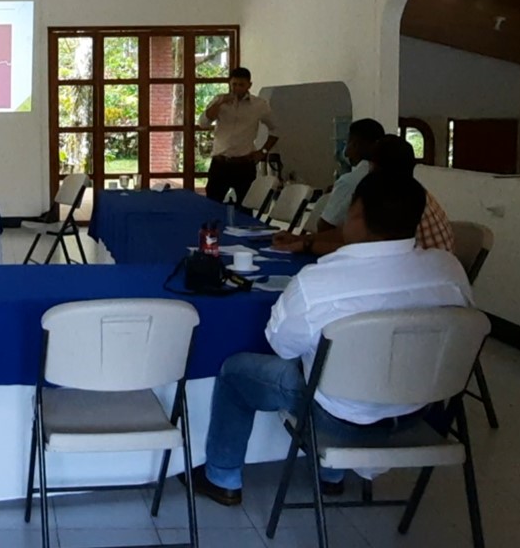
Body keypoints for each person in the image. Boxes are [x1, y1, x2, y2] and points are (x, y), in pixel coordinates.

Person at [187, 172, 474, 506]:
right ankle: (330, 476)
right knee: (333, 370)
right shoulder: (449, 270)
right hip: (418, 415)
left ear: (355, 214)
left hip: (338, 423)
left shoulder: (320, 281)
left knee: (237, 371)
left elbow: (281, 346)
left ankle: (222, 477)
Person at [275, 133, 455, 254]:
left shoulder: (392, 199)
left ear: (374, 166)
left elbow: (362, 248)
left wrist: (307, 244)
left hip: (408, 276)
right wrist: (303, 238)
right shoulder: (412, 192)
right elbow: (348, 234)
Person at [198, 67, 280, 205]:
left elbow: (276, 129)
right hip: (220, 163)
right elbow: (203, 123)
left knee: (246, 207)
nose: (237, 88)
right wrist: (220, 103)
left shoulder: (259, 105)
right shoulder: (219, 101)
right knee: (212, 204)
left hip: (244, 164)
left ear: (249, 85)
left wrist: (263, 151)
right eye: (234, 84)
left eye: (241, 85)